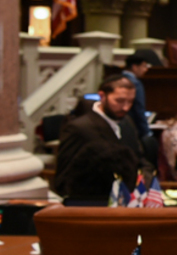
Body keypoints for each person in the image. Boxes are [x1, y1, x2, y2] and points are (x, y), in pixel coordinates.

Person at [54, 74, 145, 202]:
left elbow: (139, 159)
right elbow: (63, 177)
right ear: (102, 96)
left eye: (130, 102)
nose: (126, 107)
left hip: (127, 199)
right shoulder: (78, 128)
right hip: (93, 202)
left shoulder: (127, 122)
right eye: (119, 101)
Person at [123, 47, 162, 142]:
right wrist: (147, 132)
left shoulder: (117, 79)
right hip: (133, 128)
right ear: (135, 67)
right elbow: (139, 109)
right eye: (144, 66)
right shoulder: (135, 83)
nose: (146, 70)